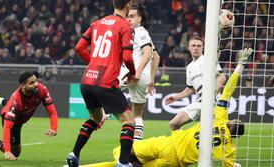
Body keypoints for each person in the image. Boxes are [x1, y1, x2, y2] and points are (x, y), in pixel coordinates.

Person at [78, 48, 252, 167]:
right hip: (175, 162)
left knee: (121, 153)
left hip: (166, 144)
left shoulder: (220, 120)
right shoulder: (228, 148)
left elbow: (227, 91)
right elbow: (229, 164)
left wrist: (239, 67)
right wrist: (233, 163)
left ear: (230, 124)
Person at [66, 0, 137, 167]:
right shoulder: (124, 25)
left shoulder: (97, 23)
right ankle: (124, 163)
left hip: (87, 81)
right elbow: (127, 57)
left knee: (95, 119)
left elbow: (79, 47)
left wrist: (94, 63)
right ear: (129, 5)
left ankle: (73, 155)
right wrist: (132, 73)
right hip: (105, 82)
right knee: (129, 121)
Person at [0, 71, 58, 160]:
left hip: (21, 116)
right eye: (31, 83)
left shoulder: (41, 89)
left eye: (36, 80)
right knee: (14, 153)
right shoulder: (15, 101)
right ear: (22, 85)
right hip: (14, 121)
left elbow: (52, 112)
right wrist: (7, 150)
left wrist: (53, 128)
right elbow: (7, 127)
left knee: (19, 107)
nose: (36, 84)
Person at [165, 36, 227, 130]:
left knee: (213, 132)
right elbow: (191, 88)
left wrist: (212, 93)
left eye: (199, 46)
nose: (196, 48)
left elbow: (222, 77)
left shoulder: (208, 59)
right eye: (193, 45)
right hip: (199, 102)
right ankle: (183, 144)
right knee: (174, 124)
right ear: (189, 48)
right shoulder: (189, 67)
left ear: (202, 48)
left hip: (213, 102)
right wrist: (176, 97)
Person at [118, 2, 160, 140]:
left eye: (132, 16)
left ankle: (104, 113)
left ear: (139, 19)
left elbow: (148, 53)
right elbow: (156, 57)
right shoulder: (144, 34)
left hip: (132, 74)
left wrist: (137, 72)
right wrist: (152, 80)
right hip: (143, 79)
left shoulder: (139, 32)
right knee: (137, 115)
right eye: (127, 16)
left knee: (104, 90)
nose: (128, 19)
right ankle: (136, 146)